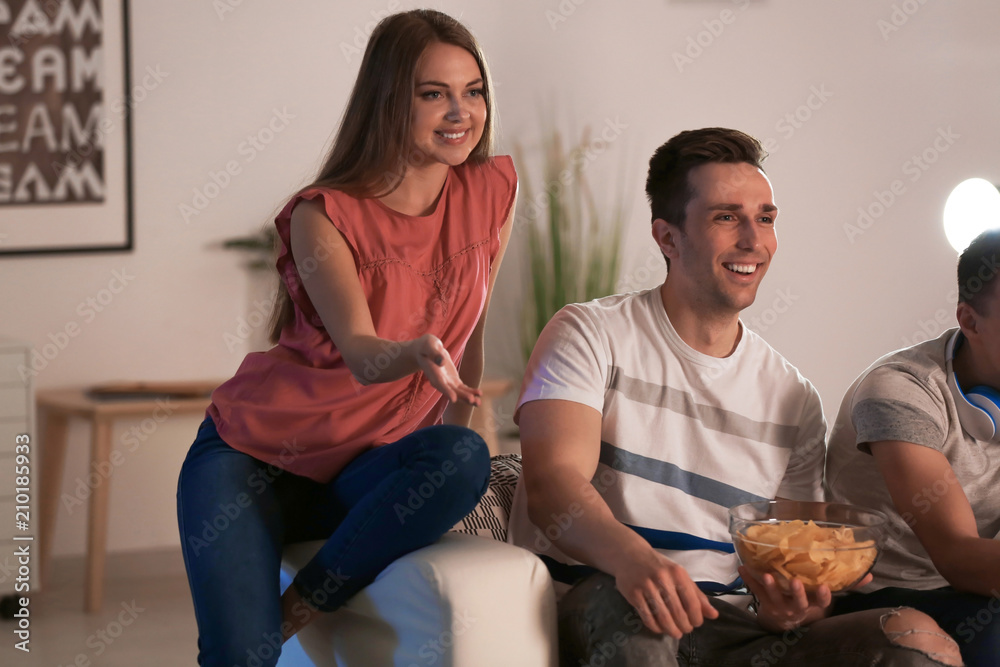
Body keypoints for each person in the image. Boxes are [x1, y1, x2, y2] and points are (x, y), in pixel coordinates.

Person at [507, 127, 961, 666]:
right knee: (630, 610)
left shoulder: (793, 397)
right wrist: (635, 561)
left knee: (912, 639)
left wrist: (791, 610)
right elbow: (553, 485)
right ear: (668, 238)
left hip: (734, 632)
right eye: (726, 217)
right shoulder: (589, 334)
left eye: (765, 218)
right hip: (610, 602)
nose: (753, 240)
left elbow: (788, 577)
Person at [176, 9, 517, 666]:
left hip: (359, 472)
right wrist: (413, 352)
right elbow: (362, 353)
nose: (461, 112)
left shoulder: (490, 190)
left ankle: (297, 610)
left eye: (473, 91)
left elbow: (472, 332)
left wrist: (462, 443)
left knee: (463, 457)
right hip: (252, 463)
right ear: (389, 99)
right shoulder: (324, 212)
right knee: (239, 657)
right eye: (434, 93)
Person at [826, 228, 1000, 666]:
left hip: (969, 594)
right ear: (970, 321)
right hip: (875, 597)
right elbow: (958, 556)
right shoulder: (899, 391)